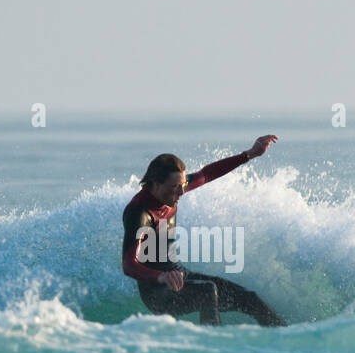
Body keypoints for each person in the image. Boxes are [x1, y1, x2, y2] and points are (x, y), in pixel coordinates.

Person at [121, 135, 287, 326]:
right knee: (207, 291)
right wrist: (161, 276)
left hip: (181, 275)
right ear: (155, 184)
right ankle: (213, 346)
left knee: (249, 298)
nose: (181, 193)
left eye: (182, 186)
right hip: (158, 292)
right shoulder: (139, 212)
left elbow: (207, 174)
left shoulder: (172, 192)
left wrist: (248, 154)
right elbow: (128, 264)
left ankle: (288, 339)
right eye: (175, 187)